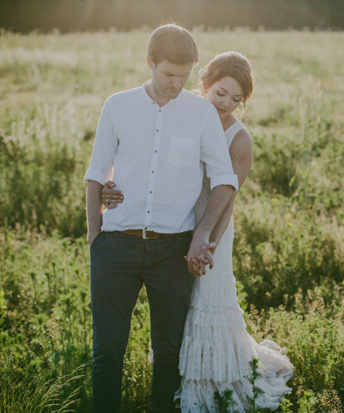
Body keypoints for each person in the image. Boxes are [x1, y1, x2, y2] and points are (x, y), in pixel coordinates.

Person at [102, 51, 294, 412]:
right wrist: (108, 185)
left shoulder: (239, 139)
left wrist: (208, 243)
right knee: (177, 309)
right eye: (221, 93)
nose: (226, 104)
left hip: (210, 229)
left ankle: (210, 385)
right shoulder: (180, 112)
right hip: (171, 225)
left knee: (206, 302)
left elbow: (227, 200)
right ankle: (174, 379)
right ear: (204, 84)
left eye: (237, 100)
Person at [84, 24, 239, 412]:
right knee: (107, 351)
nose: (177, 83)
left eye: (185, 76)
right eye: (169, 74)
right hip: (115, 246)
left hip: (172, 249)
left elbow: (225, 180)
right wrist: (95, 237)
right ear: (149, 62)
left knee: (168, 351)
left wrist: (201, 235)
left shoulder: (201, 113)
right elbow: (95, 172)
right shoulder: (117, 105)